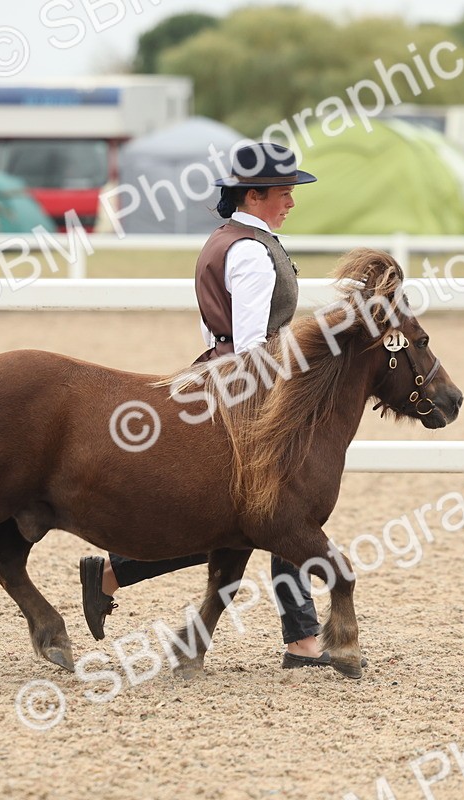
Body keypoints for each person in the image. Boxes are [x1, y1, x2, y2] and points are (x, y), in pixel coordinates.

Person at [81, 142, 335, 669]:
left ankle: (302, 640)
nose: (291, 200)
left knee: (273, 517)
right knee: (272, 515)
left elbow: (216, 330)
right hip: (250, 392)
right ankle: (119, 571)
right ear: (254, 193)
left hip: (218, 377)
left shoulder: (226, 241)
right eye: (284, 191)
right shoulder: (251, 252)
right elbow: (249, 345)